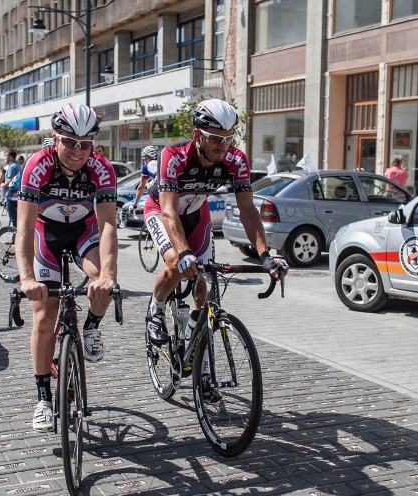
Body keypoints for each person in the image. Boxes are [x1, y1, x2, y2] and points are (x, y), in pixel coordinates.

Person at [143, 99, 288, 400]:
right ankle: (155, 310)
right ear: (197, 135)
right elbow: (170, 212)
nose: (223, 145)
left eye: (228, 138)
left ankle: (203, 369)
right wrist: (183, 253)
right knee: (175, 264)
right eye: (215, 138)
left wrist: (265, 255)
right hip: (161, 210)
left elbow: (248, 210)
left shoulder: (236, 160)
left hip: (197, 214)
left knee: (205, 292)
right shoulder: (174, 156)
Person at [15, 102, 119, 433]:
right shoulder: (37, 166)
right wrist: (27, 278)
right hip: (47, 235)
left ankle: (90, 326)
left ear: (93, 144)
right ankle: (44, 398)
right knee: (44, 317)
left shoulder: (101, 169)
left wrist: (107, 275)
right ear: (54, 138)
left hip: (84, 233)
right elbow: (23, 229)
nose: (77, 151)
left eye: (84, 144)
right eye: (69, 142)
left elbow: (108, 227)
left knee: (102, 282)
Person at [0, 150, 21, 227]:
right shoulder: (17, 165)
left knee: (13, 217)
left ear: (10, 156)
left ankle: (14, 235)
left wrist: (3, 185)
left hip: (12, 193)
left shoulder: (12, 166)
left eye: (6, 156)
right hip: (18, 193)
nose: (5, 158)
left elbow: (11, 180)